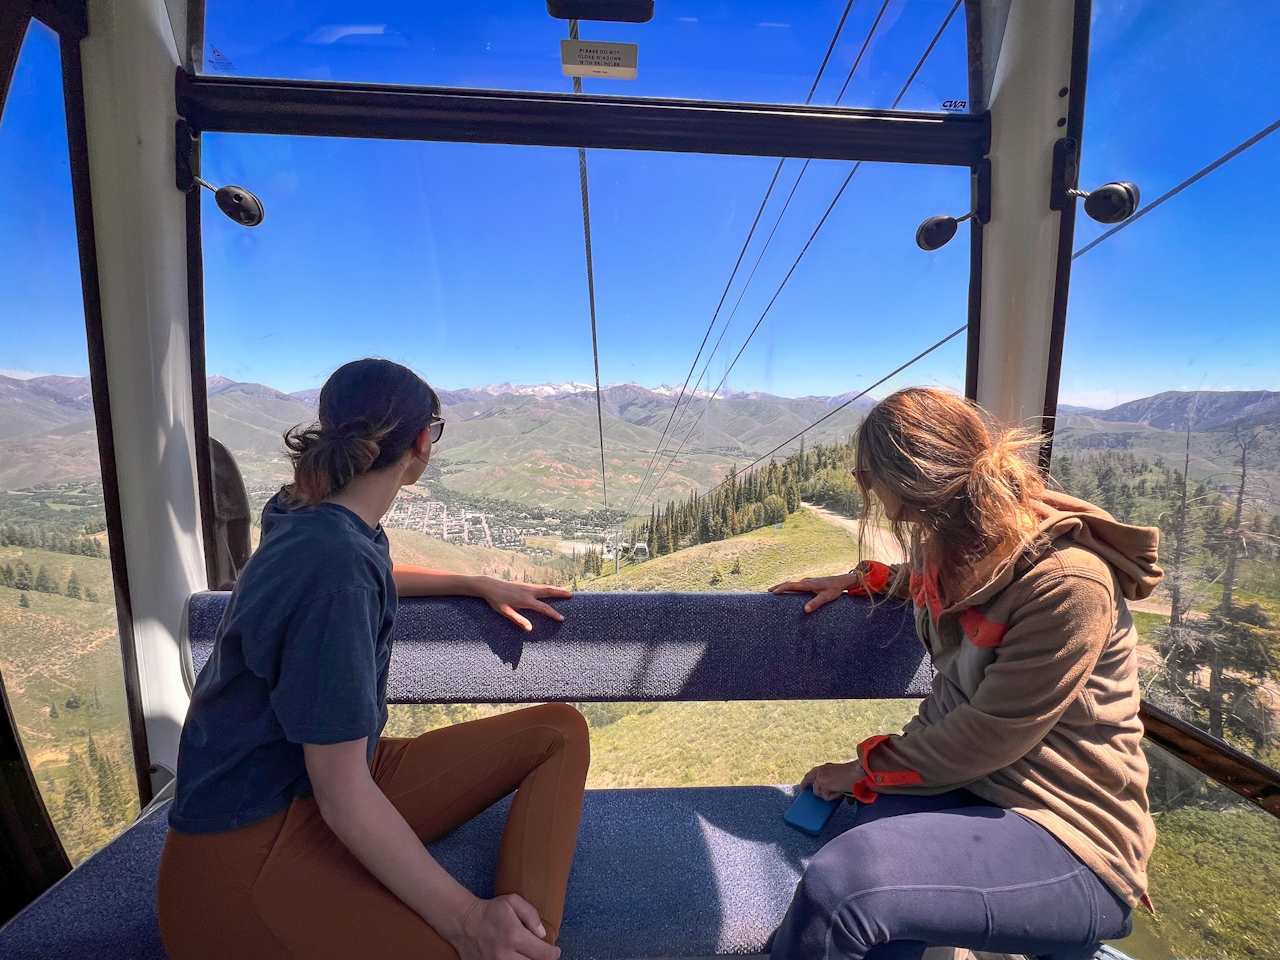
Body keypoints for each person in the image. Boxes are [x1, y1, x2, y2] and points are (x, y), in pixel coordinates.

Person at [158, 358, 590, 960]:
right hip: (243, 860)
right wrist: (466, 919)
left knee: (556, 730)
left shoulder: (309, 512)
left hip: (301, 791)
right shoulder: (334, 565)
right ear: (421, 444)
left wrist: (474, 582)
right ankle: (502, 942)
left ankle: (520, 943)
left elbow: (364, 568)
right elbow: (342, 793)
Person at [768, 387, 1160, 960]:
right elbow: (948, 586)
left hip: (1069, 829)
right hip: (977, 790)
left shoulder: (1069, 585)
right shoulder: (952, 544)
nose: (863, 486)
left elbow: (987, 735)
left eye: (864, 473)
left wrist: (857, 768)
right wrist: (865, 578)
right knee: (873, 828)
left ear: (902, 484)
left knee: (845, 887)